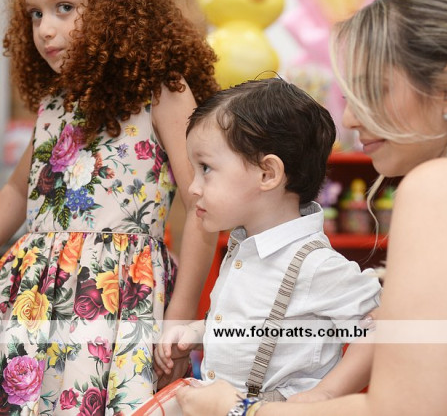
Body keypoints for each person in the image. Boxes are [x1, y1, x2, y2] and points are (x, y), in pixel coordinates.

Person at [172, 0, 447, 415]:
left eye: (371, 91)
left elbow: (407, 408)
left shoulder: (444, 186)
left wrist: (238, 409)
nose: (350, 119)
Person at [0, 0, 219, 414]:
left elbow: (202, 204)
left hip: (119, 298)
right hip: (36, 298)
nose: (45, 29)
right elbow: (15, 191)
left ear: (116, 9)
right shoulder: (54, 103)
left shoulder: (161, 91)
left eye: (64, 7)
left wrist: (180, 314)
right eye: (35, 14)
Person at [153, 78, 381, 401]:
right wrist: (196, 333)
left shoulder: (315, 265)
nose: (193, 187)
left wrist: (326, 393)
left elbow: (382, 326)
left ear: (267, 174)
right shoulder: (243, 250)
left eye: (206, 168)